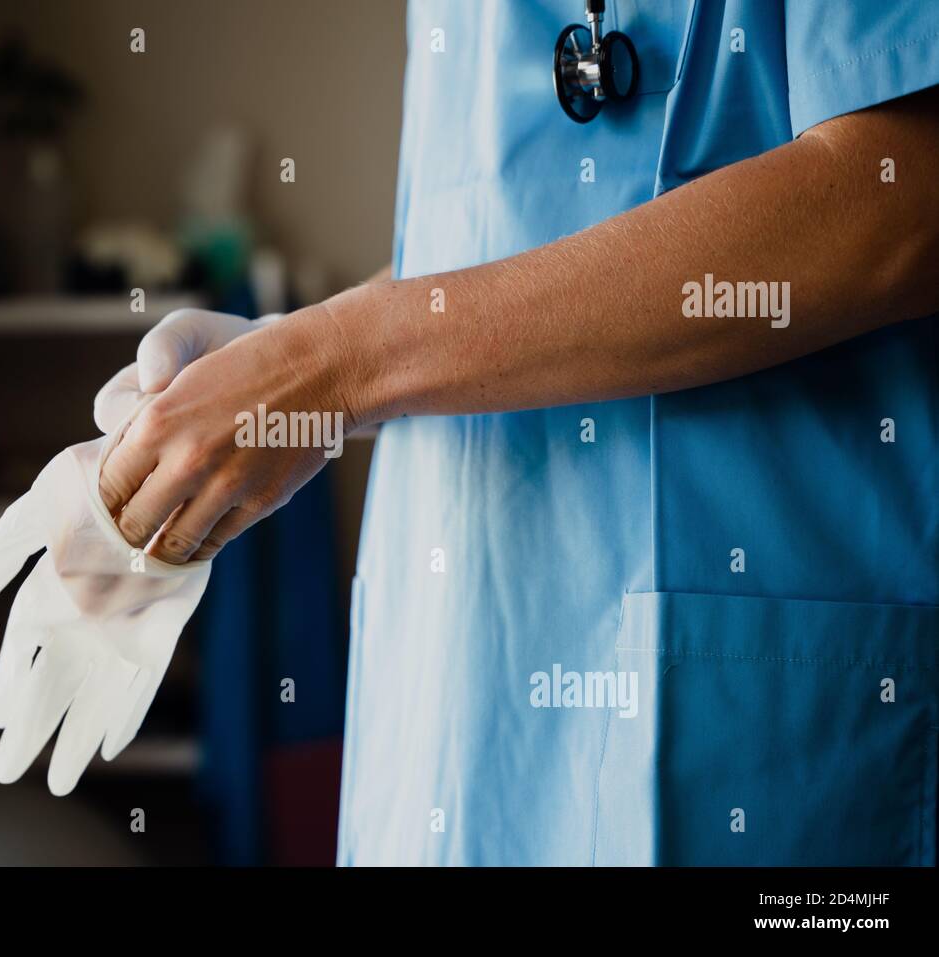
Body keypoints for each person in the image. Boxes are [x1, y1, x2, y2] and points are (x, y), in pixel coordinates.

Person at [94, 1, 939, 865]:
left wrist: (336, 361)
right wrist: (294, 355)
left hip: (756, 685)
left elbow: (898, 194)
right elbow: (497, 225)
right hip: (457, 679)